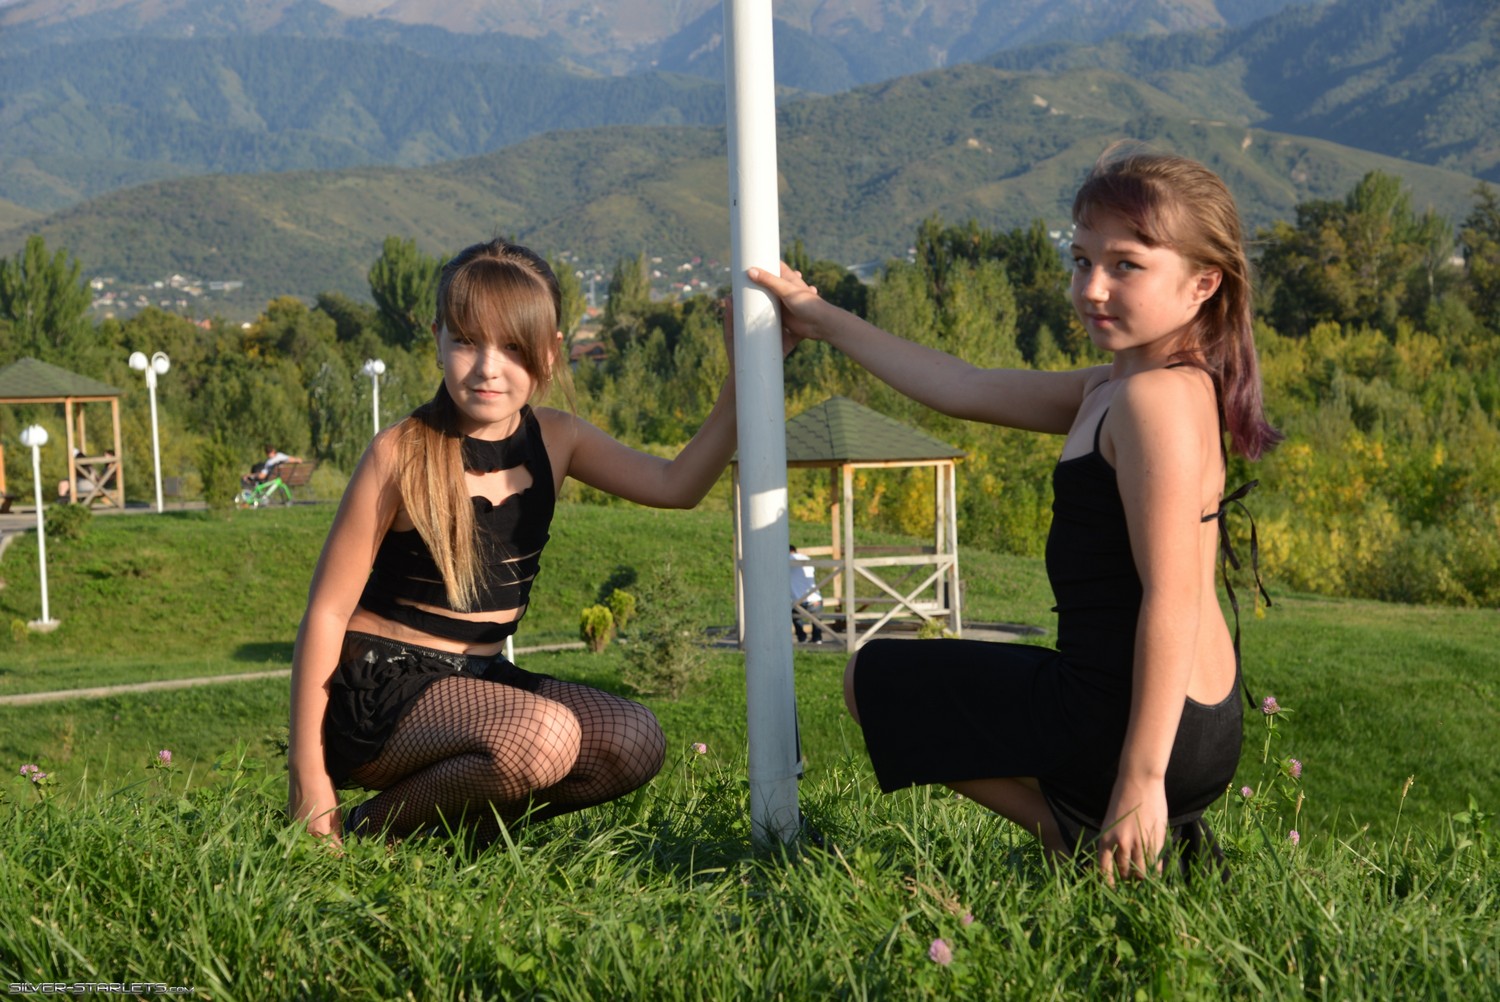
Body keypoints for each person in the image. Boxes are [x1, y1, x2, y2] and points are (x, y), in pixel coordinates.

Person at [750, 148, 1279, 882]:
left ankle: (1080, 841)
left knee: (872, 680)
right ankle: (1122, 840)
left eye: (1126, 266)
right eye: (1081, 260)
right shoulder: (1123, 386)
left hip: (1140, 723)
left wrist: (1143, 777)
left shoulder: (1153, 401)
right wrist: (823, 319)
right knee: (906, 680)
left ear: (1203, 283)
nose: (1092, 287)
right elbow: (964, 385)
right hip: (1181, 718)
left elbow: (1174, 597)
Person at [288, 238, 771, 845]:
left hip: (480, 679)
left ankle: (453, 830)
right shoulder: (401, 453)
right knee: (542, 736)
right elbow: (327, 612)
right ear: (437, 338)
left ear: (550, 351)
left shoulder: (558, 437)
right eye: (467, 340)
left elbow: (677, 485)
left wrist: (742, 378)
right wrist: (308, 776)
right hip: (381, 692)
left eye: (514, 346)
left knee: (634, 741)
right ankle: (365, 831)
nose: (488, 367)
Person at [790, 545, 823, 643]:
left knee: (796, 618)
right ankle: (817, 639)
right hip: (816, 598)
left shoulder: (786, 559)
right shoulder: (807, 558)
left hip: (798, 600)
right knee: (816, 621)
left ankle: (802, 637)